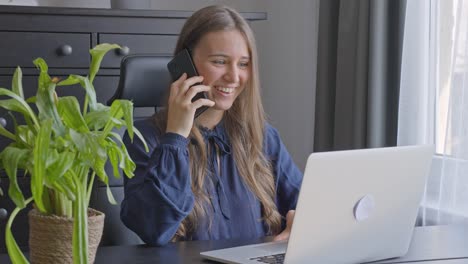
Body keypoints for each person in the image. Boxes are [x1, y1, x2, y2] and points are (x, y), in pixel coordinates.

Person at [120, 5, 303, 246]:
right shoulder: (144, 138)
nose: (234, 77)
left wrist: (300, 221)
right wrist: (175, 136)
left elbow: (307, 203)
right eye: (220, 61)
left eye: (243, 64)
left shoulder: (263, 138)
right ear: (185, 64)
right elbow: (155, 228)